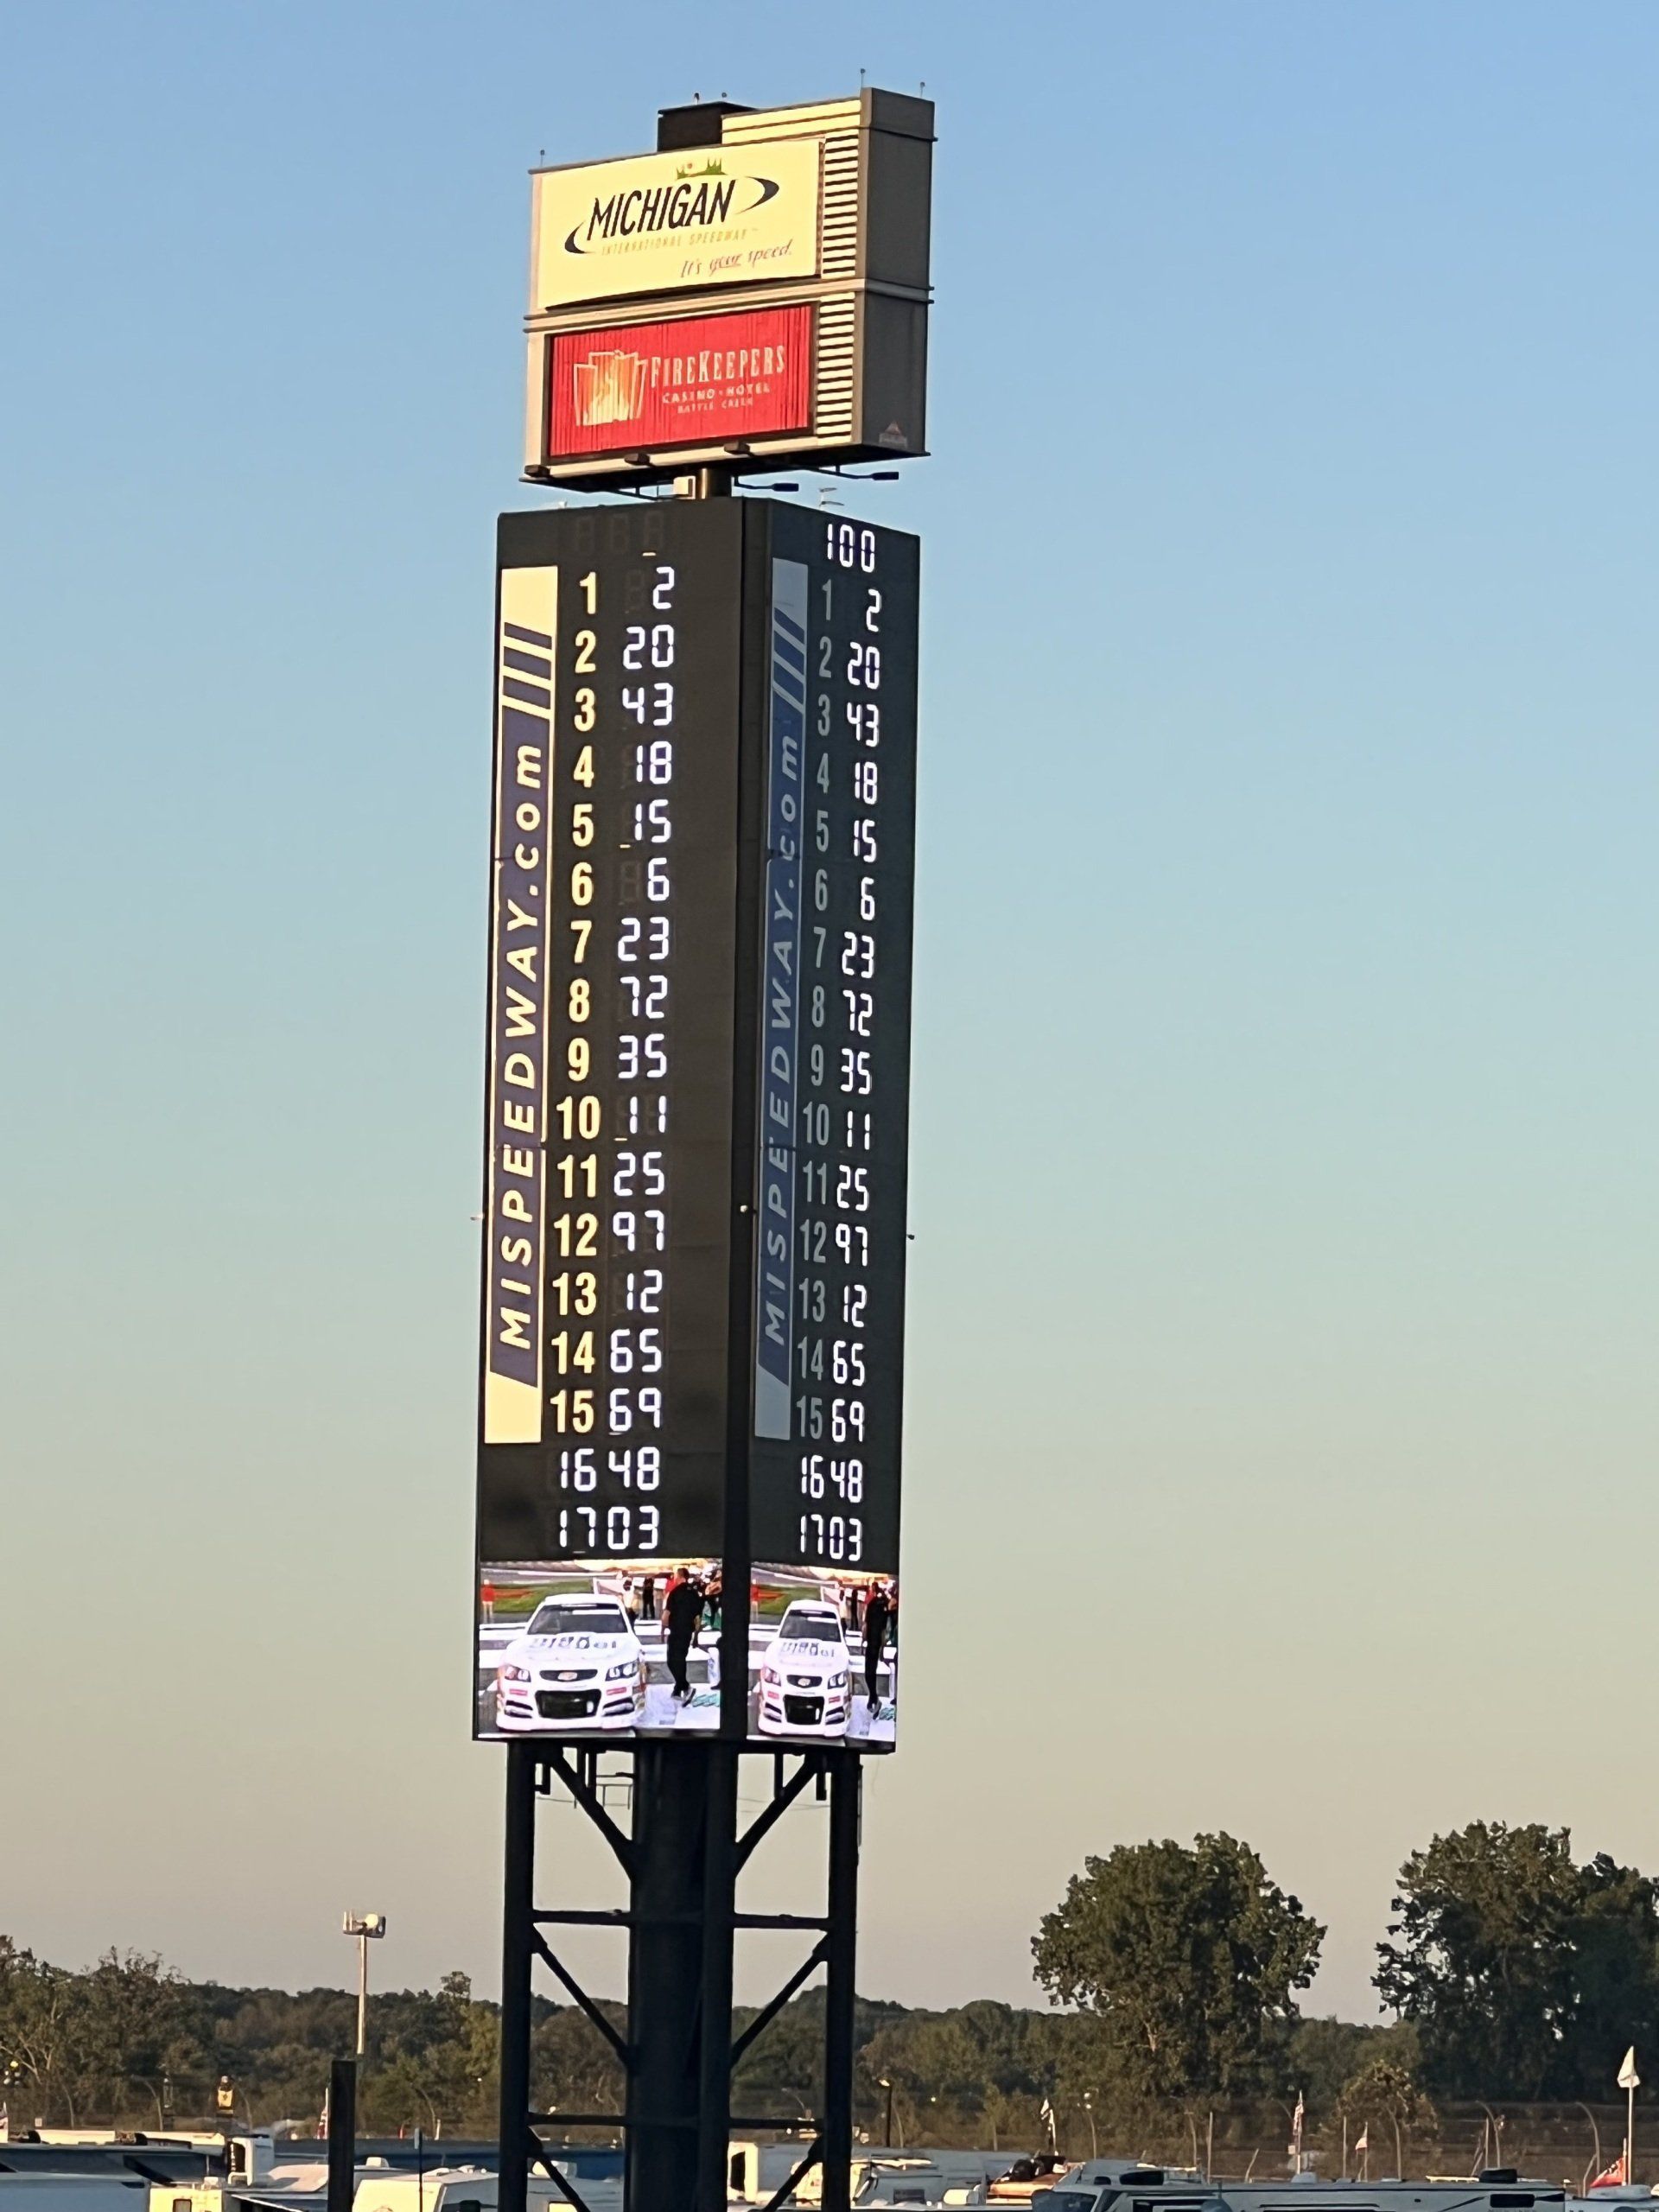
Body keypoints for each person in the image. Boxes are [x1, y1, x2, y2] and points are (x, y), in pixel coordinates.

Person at [664, 1572, 703, 1704]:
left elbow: (666, 1615)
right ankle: (678, 1688)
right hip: (687, 1632)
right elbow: (698, 1618)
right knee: (681, 1659)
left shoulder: (674, 1592)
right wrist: (696, 1637)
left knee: (671, 1660)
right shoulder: (694, 1593)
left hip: (676, 1631)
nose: (674, 1578)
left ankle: (685, 1686)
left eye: (675, 1575)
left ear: (680, 1576)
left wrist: (662, 1630)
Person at [861, 1582, 893, 1711]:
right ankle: (873, 1697)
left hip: (872, 1642)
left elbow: (867, 1625)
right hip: (875, 1642)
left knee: (869, 1671)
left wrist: (863, 1640)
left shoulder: (873, 1604)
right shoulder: (884, 1605)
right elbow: (884, 1628)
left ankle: (873, 1697)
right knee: (870, 1671)